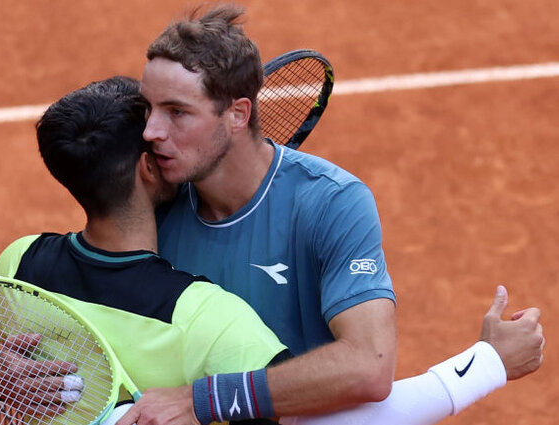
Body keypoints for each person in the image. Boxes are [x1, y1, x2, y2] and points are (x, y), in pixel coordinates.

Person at [0, 76, 544, 425]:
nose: (168, 133)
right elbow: (350, 416)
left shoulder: (19, 264)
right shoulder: (205, 318)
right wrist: (486, 365)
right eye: (159, 132)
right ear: (149, 165)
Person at [115, 4, 545, 425]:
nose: (151, 131)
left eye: (177, 112)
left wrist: (203, 401)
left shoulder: (332, 203)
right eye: (148, 109)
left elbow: (368, 365)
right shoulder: (152, 202)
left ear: (238, 114)